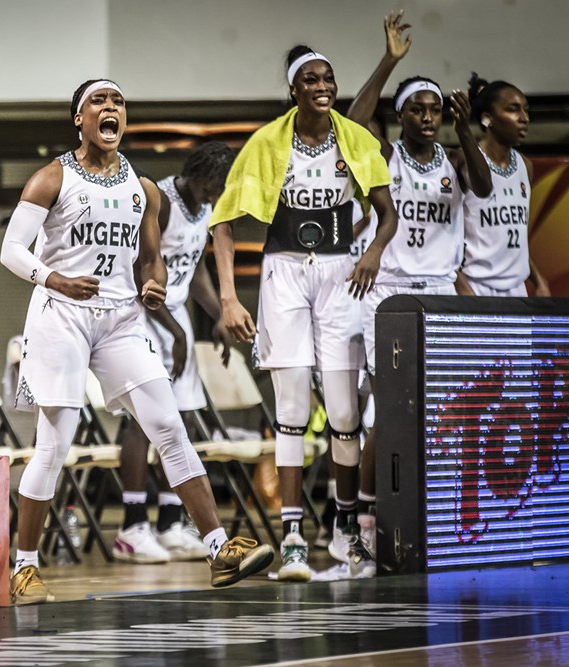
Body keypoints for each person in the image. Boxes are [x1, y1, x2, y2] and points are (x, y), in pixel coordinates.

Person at [0, 79, 274, 605]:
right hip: (62, 314)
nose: (110, 109)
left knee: (169, 424)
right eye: (98, 103)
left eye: (118, 103)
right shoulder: (50, 178)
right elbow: (11, 249)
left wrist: (155, 285)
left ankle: (219, 549)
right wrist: (53, 278)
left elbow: (153, 260)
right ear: (78, 120)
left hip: (122, 318)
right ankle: (25, 568)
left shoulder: (142, 189)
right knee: (56, 443)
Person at [210, 47, 398, 583]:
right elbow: (222, 224)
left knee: (343, 411)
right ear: (293, 90)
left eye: (329, 77)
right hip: (284, 270)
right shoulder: (267, 143)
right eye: (310, 79)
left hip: (341, 272)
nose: (322, 85)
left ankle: (344, 536)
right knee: (291, 401)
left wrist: (373, 254)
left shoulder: (356, 138)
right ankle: (292, 537)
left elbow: (387, 214)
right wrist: (228, 297)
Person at [344, 10, 494, 577]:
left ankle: (437, 516)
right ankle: (362, 527)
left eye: (434, 109)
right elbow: (354, 125)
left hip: (441, 293)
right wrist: (389, 62)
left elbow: (482, 185)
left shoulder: (458, 159)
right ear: (402, 116)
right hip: (387, 293)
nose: (427, 117)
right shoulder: (388, 158)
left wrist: (465, 130)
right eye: (418, 110)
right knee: (387, 408)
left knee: (445, 411)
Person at [113, 141, 236, 564]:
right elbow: (138, 271)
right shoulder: (161, 201)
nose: (215, 195)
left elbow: (195, 269)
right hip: (144, 312)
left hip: (175, 314)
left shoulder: (203, 209)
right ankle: (132, 525)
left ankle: (168, 523)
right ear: (198, 172)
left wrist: (219, 314)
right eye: (212, 186)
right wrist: (175, 334)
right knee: (142, 422)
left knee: (180, 418)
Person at [458, 72, 550, 297]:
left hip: (516, 289)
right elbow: (444, 237)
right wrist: (462, 288)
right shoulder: (464, 161)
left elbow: (514, 238)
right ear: (487, 118)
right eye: (513, 109)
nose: (524, 117)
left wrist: (539, 280)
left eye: (525, 109)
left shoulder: (525, 166)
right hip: (476, 287)